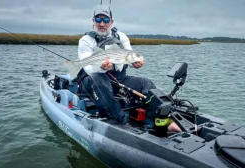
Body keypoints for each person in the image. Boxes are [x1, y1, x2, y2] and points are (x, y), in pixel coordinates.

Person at [77, 4, 181, 132]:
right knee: (98, 79)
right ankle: (120, 123)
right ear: (93, 21)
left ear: (111, 21)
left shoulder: (121, 37)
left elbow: (128, 56)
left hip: (118, 80)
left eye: (106, 20)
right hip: (93, 82)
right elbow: (87, 68)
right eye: (98, 20)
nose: (102, 24)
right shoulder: (86, 40)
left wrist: (135, 63)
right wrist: (102, 68)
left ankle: (161, 122)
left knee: (145, 83)